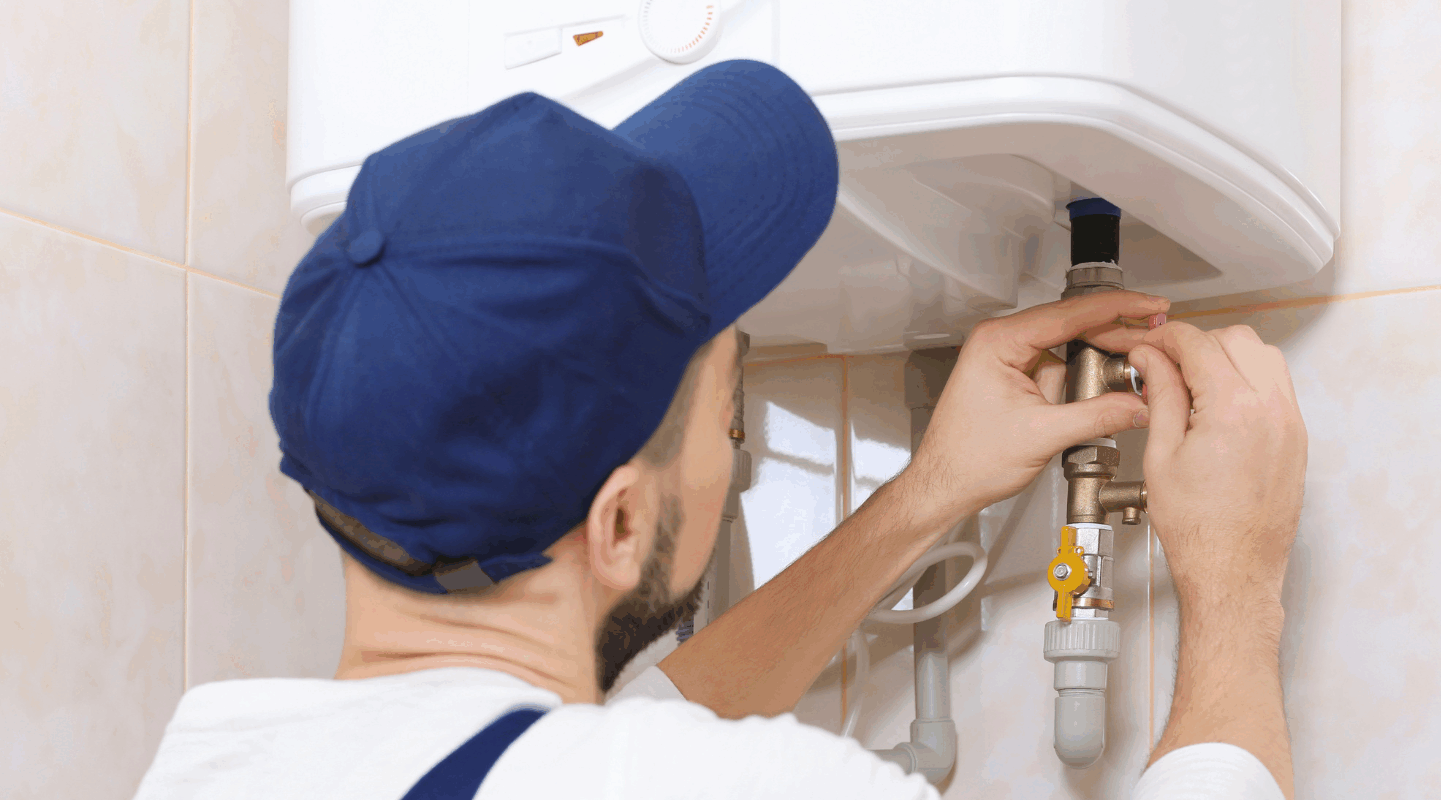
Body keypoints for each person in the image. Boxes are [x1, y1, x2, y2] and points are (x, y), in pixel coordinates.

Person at [133, 60, 1307, 800]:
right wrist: (1236, 584)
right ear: (621, 517)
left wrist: (929, 493)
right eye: (726, 404)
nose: (732, 437)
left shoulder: (217, 761)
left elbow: (614, 743)